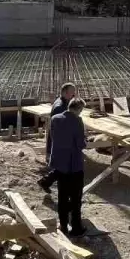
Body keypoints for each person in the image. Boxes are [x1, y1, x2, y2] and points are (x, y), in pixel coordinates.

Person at [48, 97, 88, 236]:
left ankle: (63, 226)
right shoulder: (77, 121)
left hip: (60, 164)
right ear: (79, 109)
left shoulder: (55, 119)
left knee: (62, 197)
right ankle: (76, 228)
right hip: (74, 165)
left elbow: (53, 137)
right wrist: (86, 140)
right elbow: (80, 144)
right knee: (76, 199)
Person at [39, 82, 78, 193]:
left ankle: (45, 182)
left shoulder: (64, 103)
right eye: (72, 92)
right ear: (65, 92)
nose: (74, 94)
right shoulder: (59, 107)